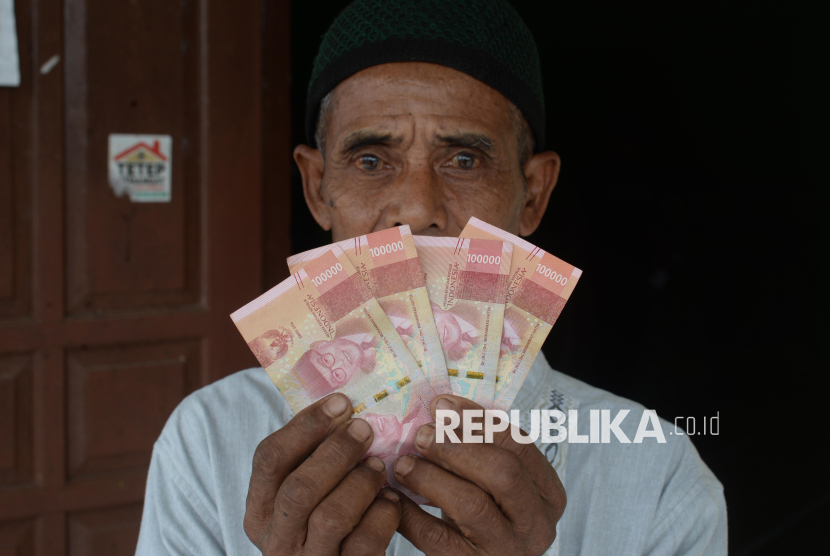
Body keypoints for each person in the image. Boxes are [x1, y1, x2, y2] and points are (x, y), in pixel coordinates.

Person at [136, 0, 727, 554]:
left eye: (464, 159)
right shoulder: (208, 440)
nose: (417, 210)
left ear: (534, 195)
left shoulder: (657, 475)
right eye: (371, 160)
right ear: (318, 189)